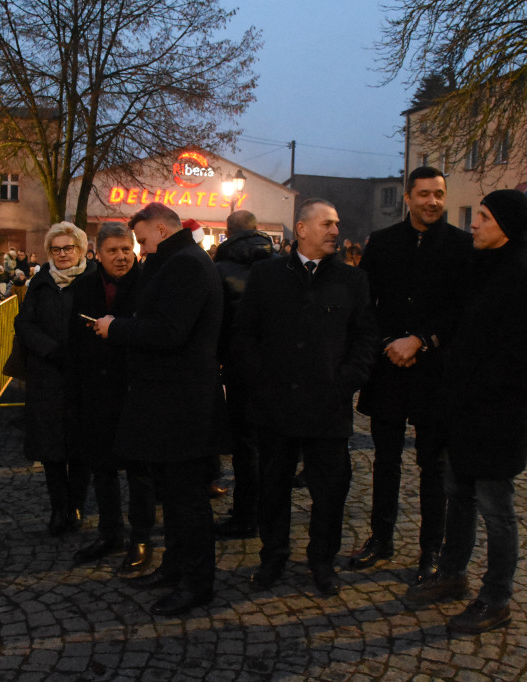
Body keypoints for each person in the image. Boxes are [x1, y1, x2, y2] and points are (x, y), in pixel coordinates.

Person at [404, 190, 527, 634]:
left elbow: (518, 357)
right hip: (462, 409)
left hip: (497, 414)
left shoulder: (525, 276)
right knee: (458, 493)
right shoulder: (479, 265)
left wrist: (471, 388)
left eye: (483, 217)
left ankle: (496, 598)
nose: (474, 223)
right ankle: (452, 574)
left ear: (505, 226)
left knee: (496, 507)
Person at [232, 198, 378, 596]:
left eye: (337, 224)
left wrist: (345, 381)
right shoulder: (267, 274)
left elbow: (365, 338)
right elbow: (244, 334)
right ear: (301, 229)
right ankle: (273, 557)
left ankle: (322, 561)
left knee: (330, 491)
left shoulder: (351, 280)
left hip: (328, 406)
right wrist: (261, 381)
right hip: (275, 405)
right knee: (273, 488)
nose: (336, 231)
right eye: (327, 224)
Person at [93, 202, 224, 617]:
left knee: (187, 499)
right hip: (168, 400)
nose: (140, 248)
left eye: (143, 238)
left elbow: (170, 331)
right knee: (173, 495)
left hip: (181, 403)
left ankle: (197, 583)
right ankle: (175, 567)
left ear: (162, 229)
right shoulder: (175, 260)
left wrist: (116, 328)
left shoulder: (185, 264)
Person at [349, 166, 473, 586]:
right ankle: (381, 538)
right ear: (408, 197)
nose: (432, 201)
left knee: (433, 466)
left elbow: (463, 309)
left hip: (436, 371)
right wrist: (390, 343)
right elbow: (366, 303)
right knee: (385, 461)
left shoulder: (462, 246)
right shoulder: (382, 242)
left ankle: (431, 549)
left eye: (438, 194)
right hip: (389, 367)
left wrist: (421, 340)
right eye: (424, 194)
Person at [67, 223, 156, 573]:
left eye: (126, 249)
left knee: (139, 471)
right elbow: (74, 343)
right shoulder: (84, 286)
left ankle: (142, 537)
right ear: (98, 254)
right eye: (113, 251)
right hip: (96, 392)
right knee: (102, 468)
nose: (121, 257)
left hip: (135, 391)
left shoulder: (149, 284)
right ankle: (110, 533)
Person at [15, 222, 95, 535]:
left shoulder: (92, 280)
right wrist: (50, 350)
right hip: (47, 375)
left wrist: (78, 353)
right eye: (56, 249)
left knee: (81, 446)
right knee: (51, 448)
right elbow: (24, 323)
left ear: (81, 249)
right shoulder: (40, 282)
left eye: (68, 248)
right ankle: (58, 508)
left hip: (83, 375)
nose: (62, 254)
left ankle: (76, 506)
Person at [212, 210, 274, 539]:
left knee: (245, 445)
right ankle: (265, 510)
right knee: (269, 443)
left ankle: (246, 515)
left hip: (240, 367)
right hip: (276, 366)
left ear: (228, 231)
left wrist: (220, 359)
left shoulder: (220, 268)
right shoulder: (280, 264)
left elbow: (218, 323)